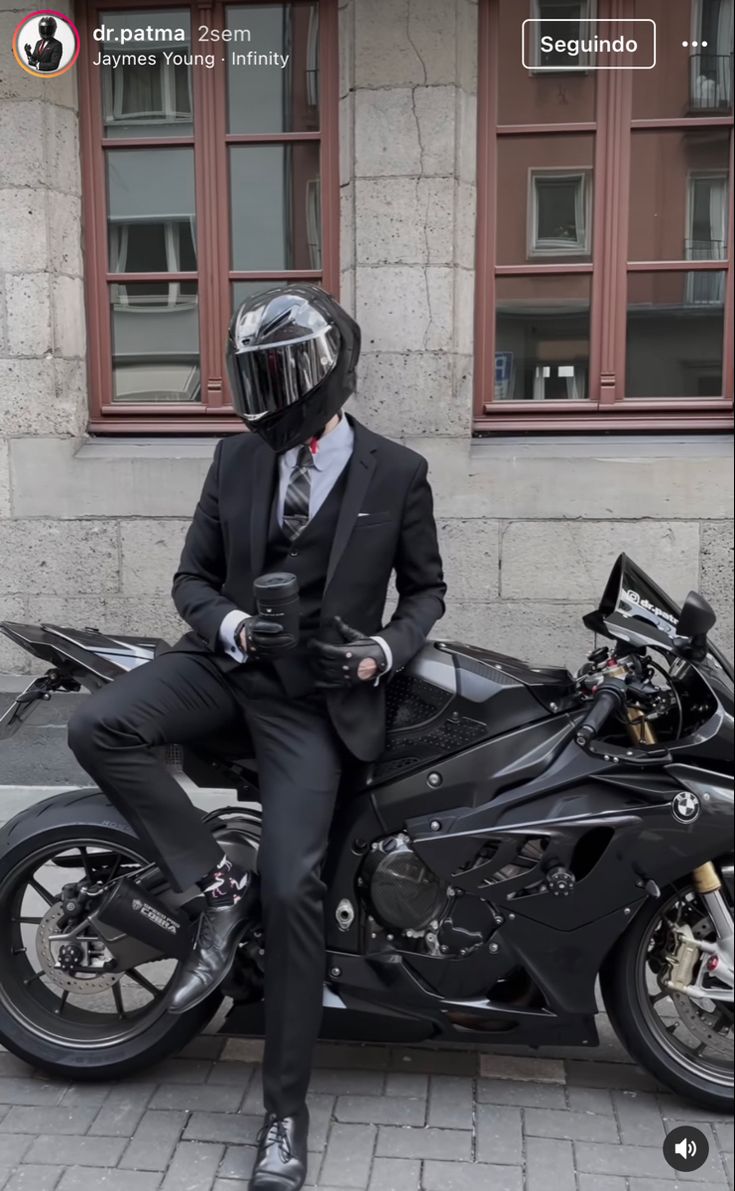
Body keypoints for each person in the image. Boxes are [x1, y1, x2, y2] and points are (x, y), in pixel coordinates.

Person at [67, 285, 446, 1191]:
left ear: (325, 373)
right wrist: (234, 626)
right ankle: (213, 877)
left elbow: (426, 591)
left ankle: (283, 1115)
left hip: (312, 705)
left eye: (279, 374)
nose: (264, 392)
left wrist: (380, 653)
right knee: (96, 723)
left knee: (294, 887)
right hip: (224, 670)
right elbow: (190, 581)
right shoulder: (234, 459)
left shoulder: (397, 472)